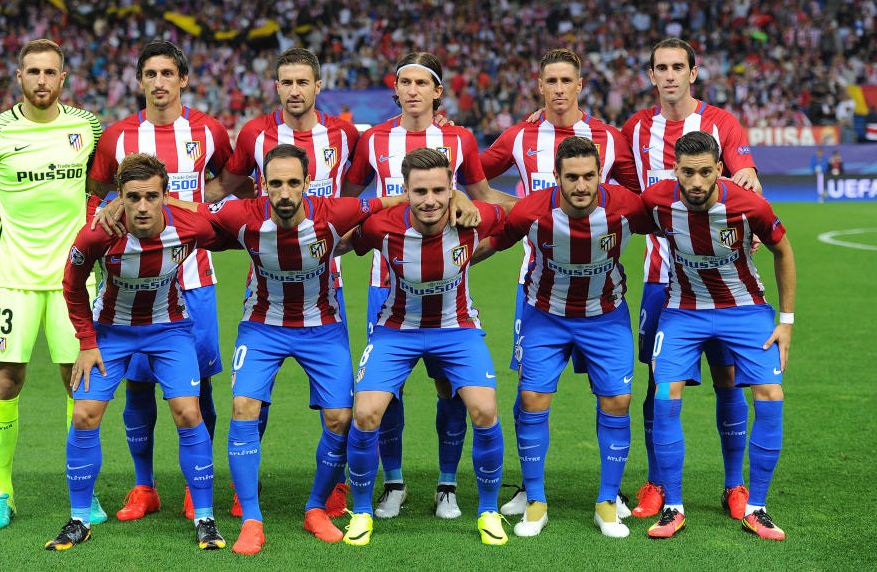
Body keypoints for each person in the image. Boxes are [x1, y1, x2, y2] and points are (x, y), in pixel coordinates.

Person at [193, 144, 407, 555]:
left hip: (322, 328)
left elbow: (395, 200)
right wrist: (124, 202)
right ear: (262, 187)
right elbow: (191, 211)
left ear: (308, 184)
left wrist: (459, 197)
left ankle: (315, 508)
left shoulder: (335, 211)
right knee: (243, 408)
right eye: (276, 184)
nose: (285, 192)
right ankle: (252, 518)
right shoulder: (243, 214)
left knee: (341, 418)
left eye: (294, 183)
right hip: (262, 326)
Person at [341, 51, 515, 520]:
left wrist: (539, 210)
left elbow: (481, 200)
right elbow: (350, 202)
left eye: (423, 82)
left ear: (438, 91)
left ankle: (447, 484)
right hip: (388, 279)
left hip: (447, 278)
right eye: (405, 82)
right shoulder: (372, 139)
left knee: (448, 388)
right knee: (387, 395)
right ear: (395, 90)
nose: (413, 90)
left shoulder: (459, 139)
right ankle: (393, 482)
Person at [479, 48, 640, 517]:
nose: (558, 89)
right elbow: (472, 175)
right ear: (540, 85)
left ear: (580, 84)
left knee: (614, 394)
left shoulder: (609, 139)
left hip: (599, 285)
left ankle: (612, 491)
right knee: (531, 388)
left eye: (566, 80)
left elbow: (638, 193)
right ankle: (527, 488)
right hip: (538, 281)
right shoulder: (520, 135)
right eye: (551, 81)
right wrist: (521, 206)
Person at [203, 47, 360, 517]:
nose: (294, 91)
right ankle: (243, 484)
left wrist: (334, 240)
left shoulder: (344, 134)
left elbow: (350, 201)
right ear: (276, 86)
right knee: (252, 397)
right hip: (266, 279)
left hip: (323, 282)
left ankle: (334, 489)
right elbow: (224, 191)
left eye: (302, 82)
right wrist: (168, 202)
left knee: (338, 408)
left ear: (317, 86)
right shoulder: (254, 133)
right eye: (286, 82)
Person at [471, 136, 655, 538]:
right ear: (556, 177)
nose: (581, 186)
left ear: (599, 173)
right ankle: (535, 500)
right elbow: (496, 243)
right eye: (572, 177)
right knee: (533, 398)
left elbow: (675, 223)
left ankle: (607, 502)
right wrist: (454, 260)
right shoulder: (531, 211)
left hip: (606, 316)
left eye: (589, 176)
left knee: (618, 400)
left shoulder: (626, 206)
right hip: (546, 316)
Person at [0, 38, 106, 529]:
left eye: (51, 72)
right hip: (13, 279)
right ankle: (2, 492)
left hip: (73, 281)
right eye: (33, 72)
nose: (42, 80)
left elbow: (101, 191)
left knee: (79, 386)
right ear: (18, 77)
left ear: (64, 78)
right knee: (7, 381)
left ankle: (84, 492)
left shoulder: (87, 127)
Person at [87, 39, 234, 522]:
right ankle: (144, 486)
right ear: (140, 80)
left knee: (202, 386)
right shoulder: (117, 137)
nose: (159, 82)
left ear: (183, 79)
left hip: (192, 279)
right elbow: (96, 194)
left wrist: (199, 205)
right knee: (136, 385)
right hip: (129, 283)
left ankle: (198, 487)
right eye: (150, 74)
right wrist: (107, 217)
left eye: (167, 73)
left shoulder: (208, 130)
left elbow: (234, 178)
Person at [48, 153, 226, 551]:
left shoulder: (190, 227)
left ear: (166, 195)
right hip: (111, 333)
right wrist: (87, 343)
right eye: (133, 197)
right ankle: (79, 518)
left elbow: (235, 232)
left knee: (188, 411)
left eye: (151, 196)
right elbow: (72, 287)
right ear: (120, 198)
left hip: (170, 329)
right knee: (84, 413)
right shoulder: (97, 235)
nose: (142, 206)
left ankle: (205, 518)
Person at [622, 38, 761, 520]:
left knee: (728, 380)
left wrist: (750, 208)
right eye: (661, 67)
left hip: (722, 282)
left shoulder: (721, 123)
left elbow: (746, 179)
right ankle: (657, 484)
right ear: (651, 74)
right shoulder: (635, 129)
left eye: (678, 66)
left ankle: (733, 485)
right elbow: (603, 168)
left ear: (693, 72)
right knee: (658, 381)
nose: (670, 75)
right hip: (662, 278)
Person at [642, 131, 794, 540]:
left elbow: (784, 249)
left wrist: (787, 320)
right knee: (663, 393)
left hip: (744, 310)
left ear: (719, 171)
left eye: (705, 172)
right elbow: (612, 215)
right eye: (687, 172)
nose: (695, 181)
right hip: (683, 311)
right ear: (675, 170)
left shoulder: (747, 205)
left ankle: (757, 507)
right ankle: (673, 507)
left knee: (770, 394)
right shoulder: (656, 201)